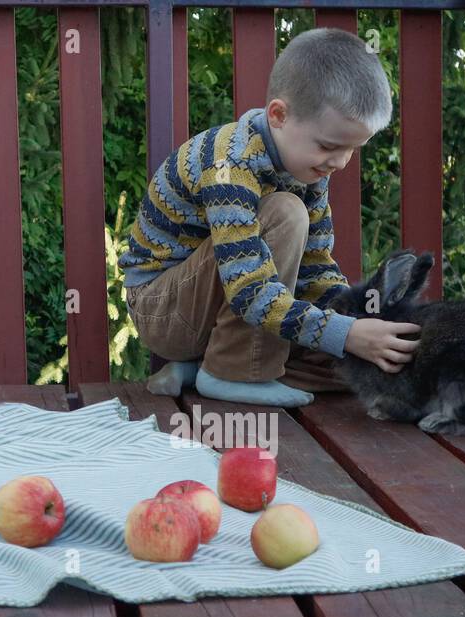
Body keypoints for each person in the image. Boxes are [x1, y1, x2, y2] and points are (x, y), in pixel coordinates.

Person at [118, 27, 420, 408]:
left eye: (352, 150)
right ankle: (229, 373)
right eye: (329, 146)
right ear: (278, 115)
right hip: (165, 310)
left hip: (226, 311)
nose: (340, 163)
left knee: (351, 368)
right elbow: (248, 291)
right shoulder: (230, 163)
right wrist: (346, 333)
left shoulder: (306, 168)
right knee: (285, 213)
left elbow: (315, 268)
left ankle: (199, 370)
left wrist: (355, 323)